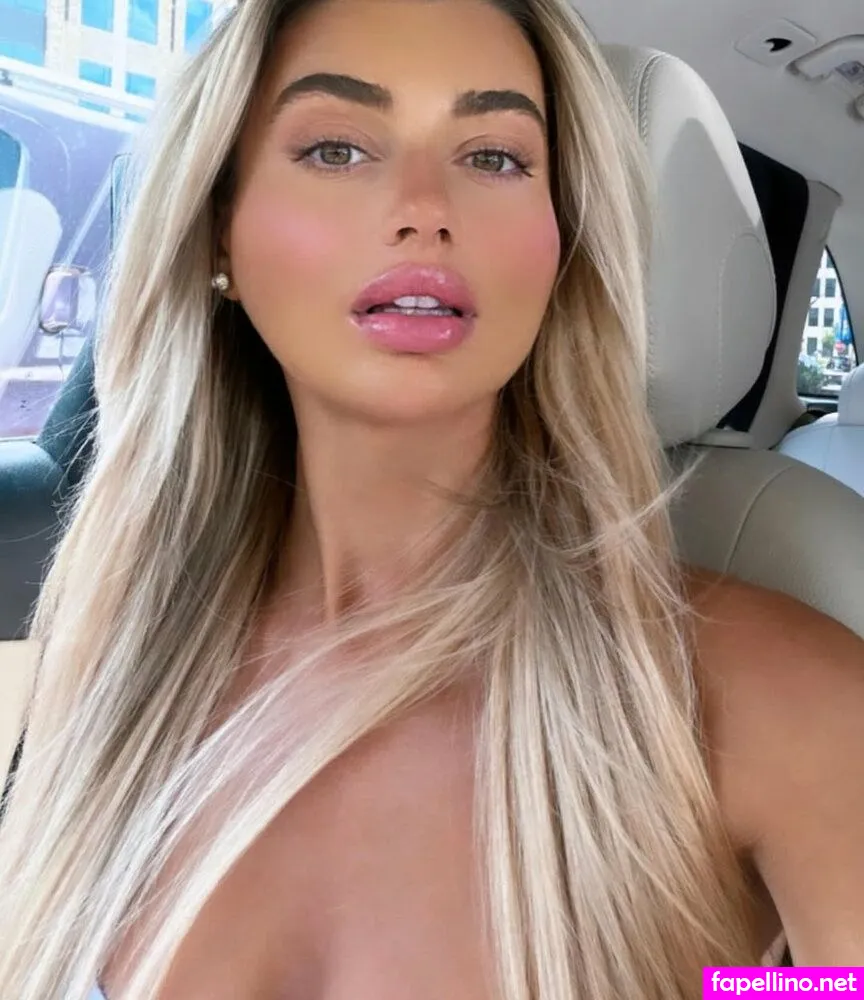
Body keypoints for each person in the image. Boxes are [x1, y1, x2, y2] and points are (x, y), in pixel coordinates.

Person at [0, 0, 862, 997]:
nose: (424, 207)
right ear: (217, 231)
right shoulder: (103, 663)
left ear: (561, 244)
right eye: (335, 149)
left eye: (494, 157)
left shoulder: (783, 703)